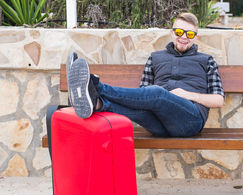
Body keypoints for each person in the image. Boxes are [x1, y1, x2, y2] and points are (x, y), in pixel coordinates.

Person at [67, 12, 224, 137]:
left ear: (196, 37)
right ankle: (96, 103)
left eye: (189, 34)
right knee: (142, 108)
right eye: (179, 32)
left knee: (157, 93)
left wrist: (188, 95)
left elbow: (218, 100)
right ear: (171, 32)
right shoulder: (155, 58)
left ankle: (95, 86)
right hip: (159, 125)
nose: (183, 37)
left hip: (189, 121)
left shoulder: (206, 60)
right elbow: (143, 95)